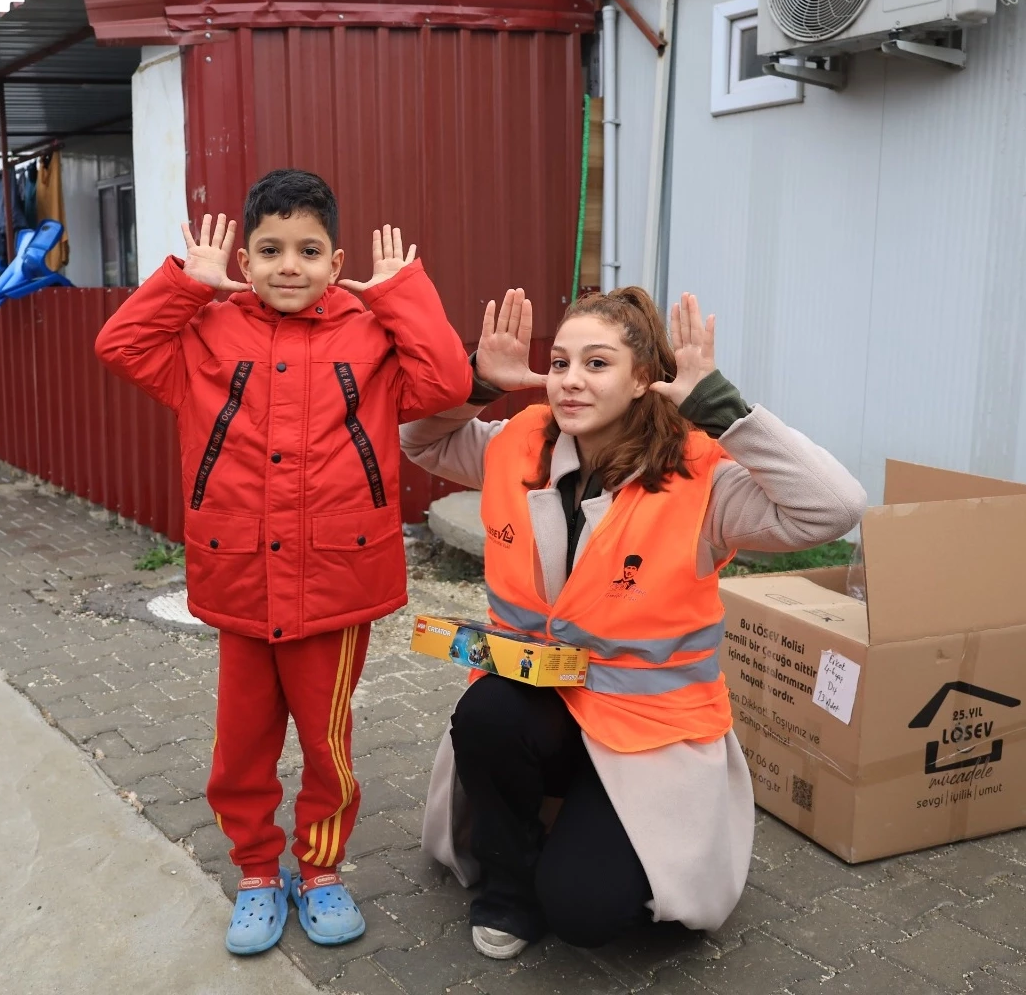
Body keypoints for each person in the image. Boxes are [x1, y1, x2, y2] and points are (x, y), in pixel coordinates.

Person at [403, 286, 867, 959]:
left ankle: (600, 832)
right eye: (560, 362)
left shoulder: (700, 474)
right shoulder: (520, 441)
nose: (569, 381)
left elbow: (834, 506)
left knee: (587, 913)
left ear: (645, 378)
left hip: (651, 734)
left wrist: (721, 409)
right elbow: (420, 440)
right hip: (541, 706)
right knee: (486, 714)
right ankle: (508, 883)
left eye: (597, 364)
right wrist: (475, 381)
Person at [94, 169, 472, 955]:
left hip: (334, 579)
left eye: (308, 249)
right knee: (240, 746)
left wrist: (402, 292)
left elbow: (447, 380)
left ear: (337, 263)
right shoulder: (206, 333)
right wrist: (185, 286)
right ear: (244, 260)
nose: (288, 266)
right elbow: (119, 343)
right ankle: (259, 873)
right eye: (269, 249)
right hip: (237, 575)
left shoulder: (370, 333)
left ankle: (322, 872)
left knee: (327, 744)